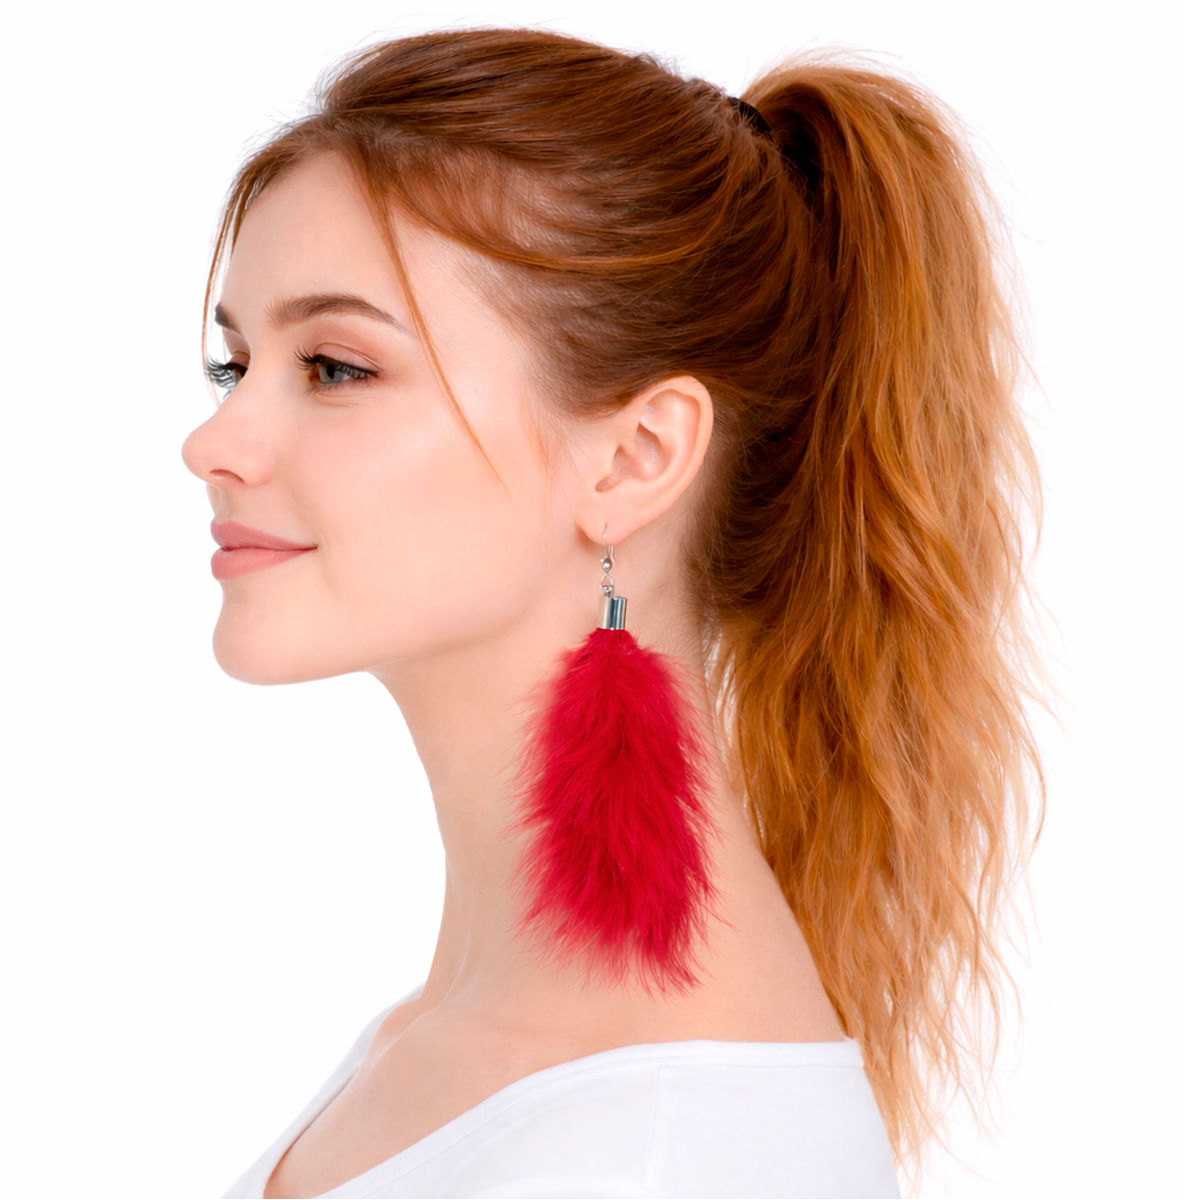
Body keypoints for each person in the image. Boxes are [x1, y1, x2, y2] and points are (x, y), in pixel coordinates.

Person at [181, 26, 1044, 1199]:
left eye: (336, 367)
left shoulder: (657, 1153)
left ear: (636, 457)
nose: (215, 442)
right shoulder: (458, 1040)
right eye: (236, 366)